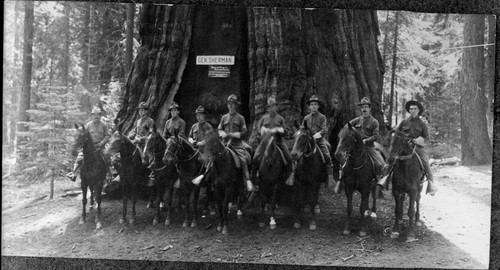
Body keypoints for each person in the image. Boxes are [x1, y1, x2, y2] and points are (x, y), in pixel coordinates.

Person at [378, 100, 437, 196]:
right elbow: (397, 133)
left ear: (418, 111)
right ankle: (384, 181)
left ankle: (431, 186)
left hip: (417, 148)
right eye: (410, 109)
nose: (412, 111)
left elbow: (427, 138)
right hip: (403, 147)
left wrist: (419, 140)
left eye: (414, 109)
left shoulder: (422, 124)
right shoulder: (404, 122)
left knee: (425, 163)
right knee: (390, 161)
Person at [341, 97, 387, 186]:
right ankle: (341, 181)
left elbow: (376, 136)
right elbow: (347, 127)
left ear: (369, 108)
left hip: (369, 147)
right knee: (344, 161)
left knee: (379, 163)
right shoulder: (356, 120)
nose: (364, 109)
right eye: (362, 107)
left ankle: (378, 183)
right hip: (356, 146)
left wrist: (366, 140)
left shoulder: (374, 121)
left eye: (366, 107)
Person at [251, 96, 293, 187]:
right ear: (267, 108)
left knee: (289, 158)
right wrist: (263, 130)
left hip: (278, 142)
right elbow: (258, 131)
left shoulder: (280, 118)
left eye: (273, 106)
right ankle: (254, 179)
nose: (271, 108)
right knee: (255, 158)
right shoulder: (263, 119)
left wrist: (279, 130)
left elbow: (285, 132)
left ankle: (286, 179)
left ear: (276, 107)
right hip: (265, 143)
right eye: (269, 106)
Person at [297, 95, 336, 189]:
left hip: (319, 140)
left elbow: (324, 129)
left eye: (315, 104)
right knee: (297, 153)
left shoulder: (322, 117)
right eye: (311, 104)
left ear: (318, 106)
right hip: (307, 140)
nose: (313, 106)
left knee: (327, 155)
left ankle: (329, 177)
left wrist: (316, 136)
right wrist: (301, 133)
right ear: (309, 106)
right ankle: (295, 174)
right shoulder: (306, 118)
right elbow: (302, 128)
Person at [218, 94, 254, 192]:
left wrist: (234, 135)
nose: (230, 105)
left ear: (235, 105)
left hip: (236, 144)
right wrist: (222, 134)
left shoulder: (240, 118)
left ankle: (247, 180)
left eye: (232, 104)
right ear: (227, 105)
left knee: (243, 159)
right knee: (213, 158)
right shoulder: (224, 117)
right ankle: (207, 178)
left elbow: (244, 131)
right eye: (229, 104)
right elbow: (219, 129)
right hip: (224, 144)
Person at [66, 106, 110, 182]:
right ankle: (74, 174)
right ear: (92, 116)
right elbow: (83, 135)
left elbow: (107, 135)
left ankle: (110, 176)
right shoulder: (88, 125)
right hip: (90, 147)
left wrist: (101, 143)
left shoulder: (104, 125)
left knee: (108, 158)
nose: (96, 116)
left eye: (98, 114)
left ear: (100, 115)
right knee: (79, 158)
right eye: (94, 115)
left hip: (101, 146)